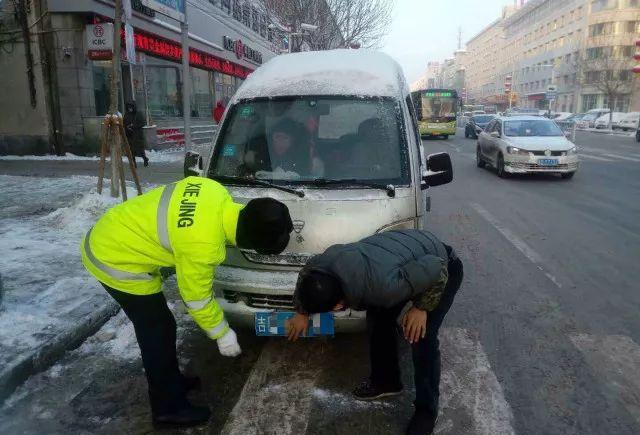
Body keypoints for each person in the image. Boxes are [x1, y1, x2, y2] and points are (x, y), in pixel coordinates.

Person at [81, 176, 293, 427]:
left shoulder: (214, 190)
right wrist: (222, 334)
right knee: (156, 331)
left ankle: (171, 382)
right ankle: (167, 409)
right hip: (114, 259)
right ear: (249, 243)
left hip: (116, 228)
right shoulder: (204, 247)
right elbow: (197, 300)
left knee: (163, 325)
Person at [286, 230, 463, 435]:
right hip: (406, 258)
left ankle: (427, 411)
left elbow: (436, 267)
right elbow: (305, 277)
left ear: (337, 306)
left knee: (421, 335)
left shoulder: (384, 287)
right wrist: (301, 312)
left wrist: (421, 308)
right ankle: (387, 381)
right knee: (379, 317)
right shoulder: (320, 266)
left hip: (442, 267)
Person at [123, 101, 149, 168]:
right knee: (131, 151)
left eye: (131, 107)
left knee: (140, 150)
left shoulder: (138, 114)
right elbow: (124, 123)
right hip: (129, 135)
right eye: (128, 107)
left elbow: (142, 123)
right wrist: (127, 127)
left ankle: (145, 159)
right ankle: (134, 164)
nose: (130, 109)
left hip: (137, 135)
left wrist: (134, 126)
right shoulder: (126, 115)